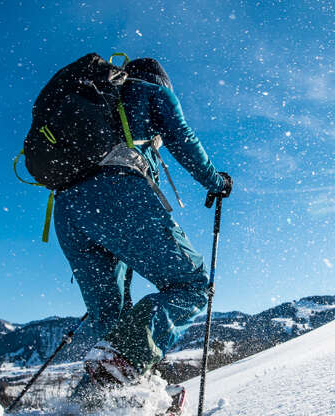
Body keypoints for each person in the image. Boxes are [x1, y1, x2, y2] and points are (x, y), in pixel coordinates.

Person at [53, 57, 233, 394]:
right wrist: (216, 182)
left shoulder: (92, 104)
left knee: (111, 319)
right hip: (117, 196)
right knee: (190, 284)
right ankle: (121, 367)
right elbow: (183, 138)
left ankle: (94, 399)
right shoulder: (148, 90)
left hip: (66, 210)